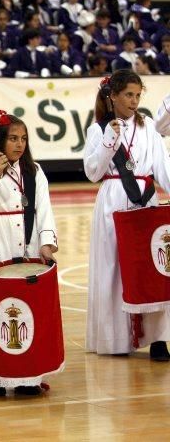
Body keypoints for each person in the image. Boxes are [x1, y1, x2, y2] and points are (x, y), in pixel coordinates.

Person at [0, 111, 59, 397]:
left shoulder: (34, 171)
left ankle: (28, 375)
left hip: (28, 242)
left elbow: (44, 207)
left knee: (29, 308)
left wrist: (46, 243)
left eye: (23, 139)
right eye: (13, 138)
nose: (19, 144)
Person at [83, 70, 170, 360]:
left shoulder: (150, 130)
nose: (134, 101)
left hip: (146, 200)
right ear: (113, 96)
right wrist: (109, 140)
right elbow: (93, 172)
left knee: (152, 269)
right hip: (112, 200)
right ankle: (116, 339)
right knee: (113, 269)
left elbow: (163, 170)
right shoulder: (98, 129)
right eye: (128, 95)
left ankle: (158, 339)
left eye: (137, 95)